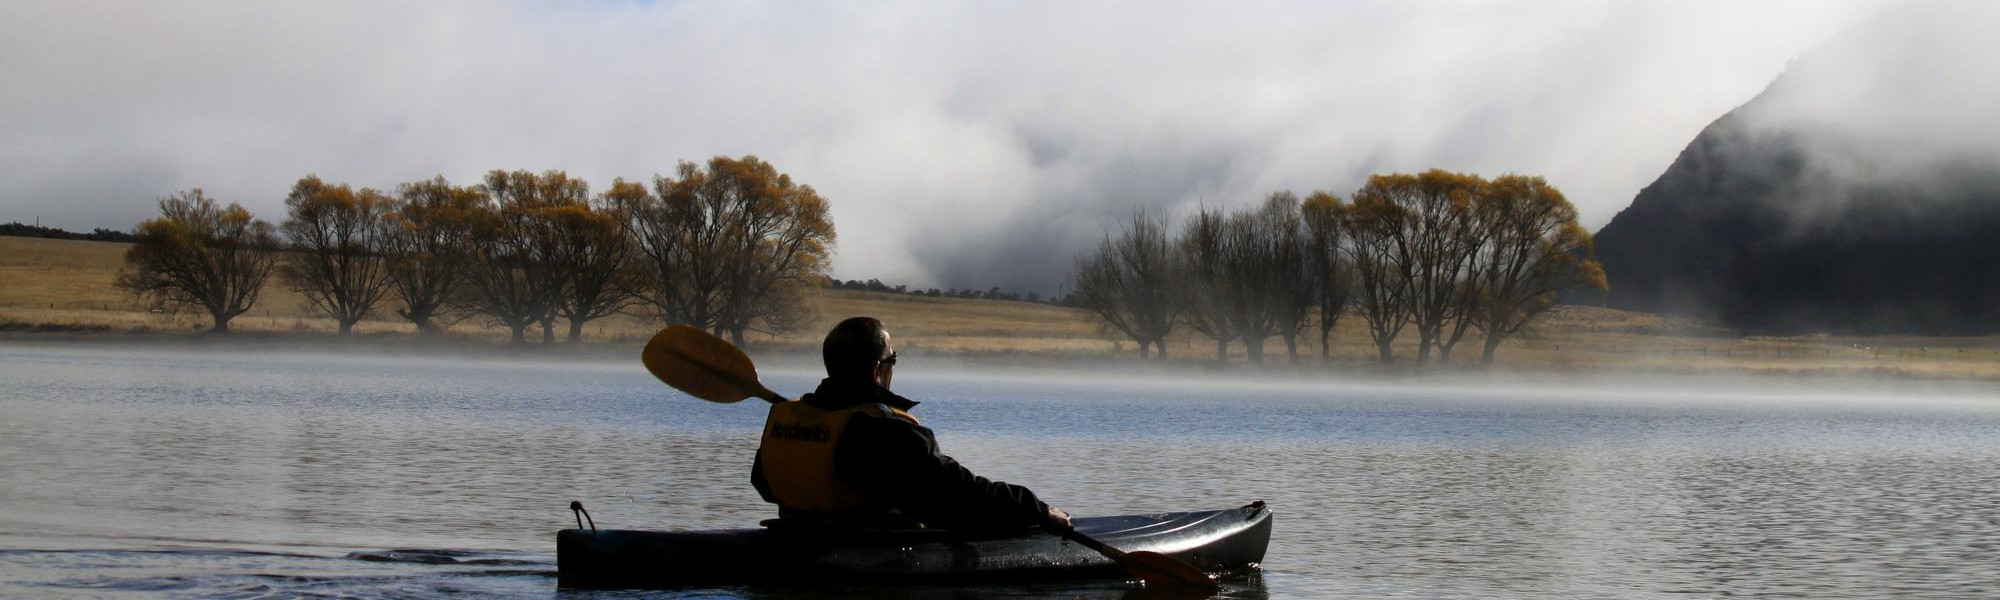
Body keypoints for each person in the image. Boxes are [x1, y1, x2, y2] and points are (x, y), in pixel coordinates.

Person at [751, 316, 1071, 533]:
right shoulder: (886, 428)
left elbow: (763, 483)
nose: (893, 368)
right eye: (893, 360)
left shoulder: (785, 415)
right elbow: (957, 494)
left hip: (792, 537)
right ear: (878, 368)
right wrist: (1038, 511)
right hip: (863, 550)